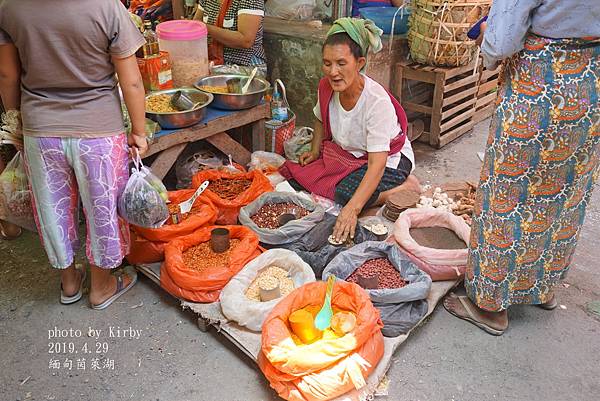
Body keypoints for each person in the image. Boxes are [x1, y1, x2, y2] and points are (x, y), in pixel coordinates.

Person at [443, 0, 600, 335]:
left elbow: (501, 42)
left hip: (540, 85)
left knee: (507, 193)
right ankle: (542, 288)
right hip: (590, 87)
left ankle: (490, 308)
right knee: (563, 192)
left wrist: (485, 32)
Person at [0, 0, 149, 309]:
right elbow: (131, 80)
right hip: (99, 133)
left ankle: (69, 282)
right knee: (103, 209)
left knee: (51, 209)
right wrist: (138, 131)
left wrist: (16, 122)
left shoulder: (10, 7)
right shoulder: (107, 7)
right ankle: (102, 286)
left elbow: (7, 77)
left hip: (41, 131)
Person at [279, 18, 420, 244]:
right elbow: (318, 117)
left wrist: (352, 210)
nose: (333, 72)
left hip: (389, 159)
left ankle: (404, 187)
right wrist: (315, 151)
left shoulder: (376, 102)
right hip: (349, 155)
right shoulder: (326, 87)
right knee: (295, 171)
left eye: (341, 63)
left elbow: (377, 163)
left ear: (359, 62)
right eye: (327, 63)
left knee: (346, 194)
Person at [173, 0, 266, 74]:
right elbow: (196, 27)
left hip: (246, 67)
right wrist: (185, 27)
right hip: (214, 63)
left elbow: (246, 40)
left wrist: (206, 28)